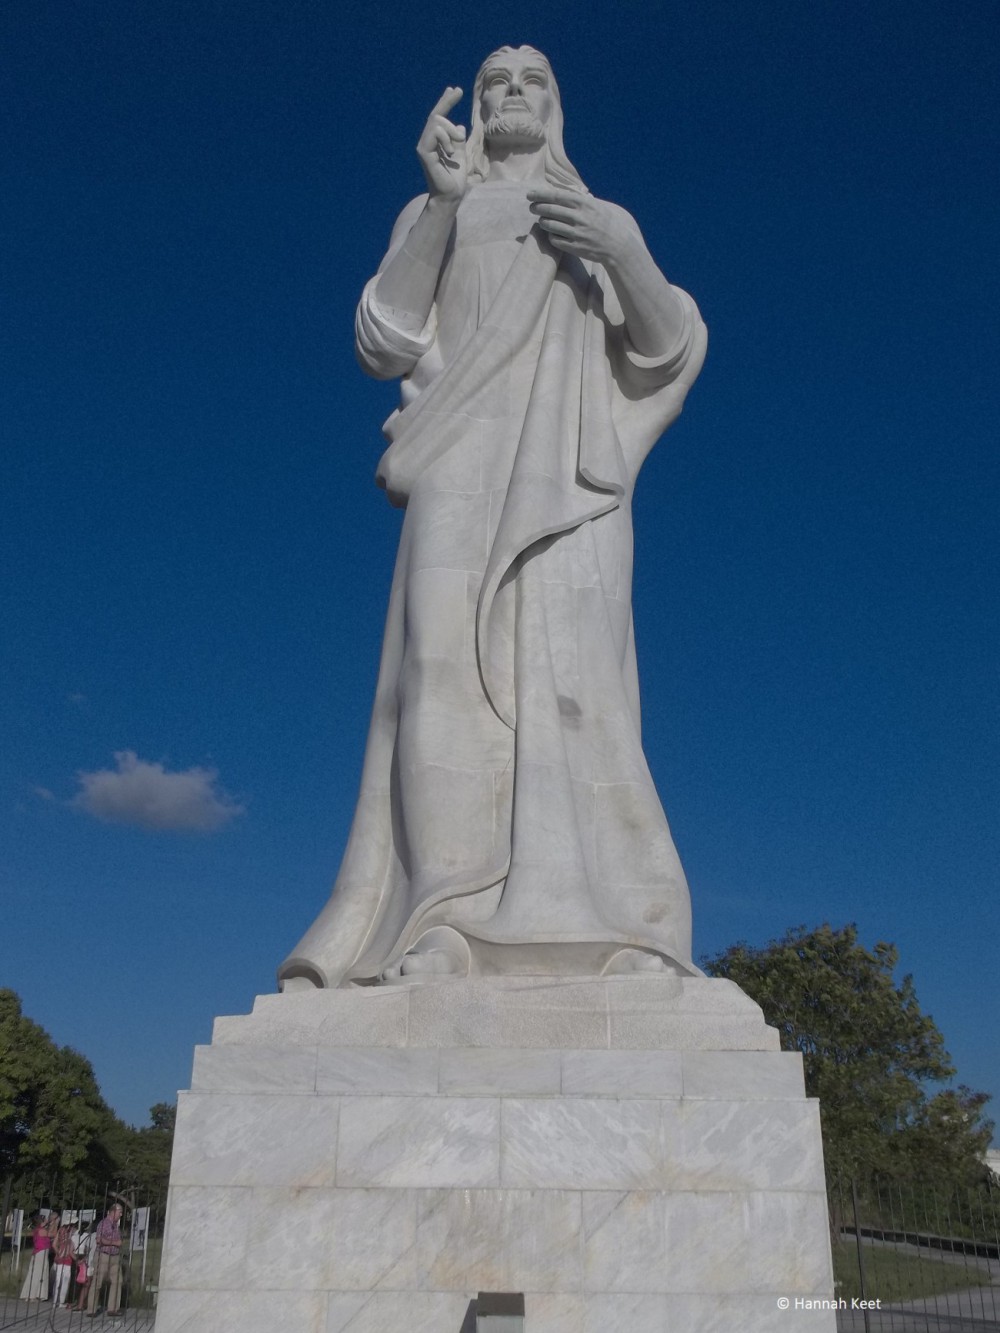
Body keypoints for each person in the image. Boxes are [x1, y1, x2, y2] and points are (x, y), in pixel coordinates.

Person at [279, 46, 706, 991]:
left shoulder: (602, 218)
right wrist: (437, 205)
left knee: (581, 682)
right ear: (474, 103)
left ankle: (626, 926)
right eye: (496, 81)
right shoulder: (439, 209)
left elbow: (667, 348)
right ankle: (441, 921)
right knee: (439, 678)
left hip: (573, 478)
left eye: (534, 80)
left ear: (556, 106)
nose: (513, 91)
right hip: (458, 465)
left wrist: (618, 250)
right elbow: (382, 340)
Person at [86, 1202, 124, 1316]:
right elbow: (99, 1239)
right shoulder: (104, 1223)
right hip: (103, 1255)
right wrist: (115, 1243)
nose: (121, 1214)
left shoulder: (116, 1226)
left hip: (115, 1256)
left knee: (117, 1281)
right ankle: (91, 1309)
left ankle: (113, 1308)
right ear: (113, 1211)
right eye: (120, 1212)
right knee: (98, 1282)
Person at [18, 1209, 58, 1301]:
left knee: (35, 1273)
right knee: (38, 1273)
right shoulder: (41, 1231)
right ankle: (32, 1295)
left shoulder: (38, 1229)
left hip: (38, 1253)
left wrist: (50, 1223)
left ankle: (32, 1294)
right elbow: (54, 1234)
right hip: (41, 1253)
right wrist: (55, 1223)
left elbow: (49, 1230)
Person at [51, 1221, 75, 1307]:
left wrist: (58, 1253)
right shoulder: (73, 1232)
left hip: (60, 1258)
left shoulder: (60, 1230)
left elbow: (54, 1244)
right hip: (68, 1259)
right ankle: (61, 1301)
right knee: (65, 1281)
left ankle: (55, 1301)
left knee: (58, 1280)